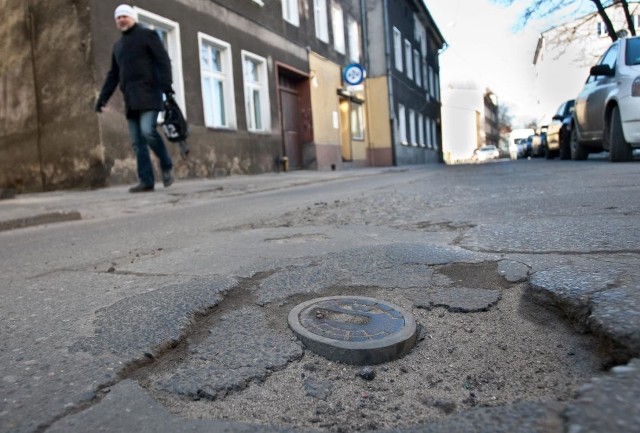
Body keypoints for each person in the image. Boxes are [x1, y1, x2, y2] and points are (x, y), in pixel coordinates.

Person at [95, 4, 174, 193]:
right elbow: (113, 75)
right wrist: (102, 99)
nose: (122, 19)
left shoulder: (147, 35)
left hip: (149, 93)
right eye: (118, 17)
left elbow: (162, 60)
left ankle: (166, 163)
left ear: (133, 18)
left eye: (125, 16)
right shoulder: (118, 46)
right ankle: (146, 181)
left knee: (148, 131)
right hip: (130, 99)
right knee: (137, 142)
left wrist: (167, 86)